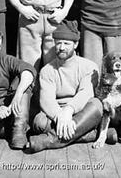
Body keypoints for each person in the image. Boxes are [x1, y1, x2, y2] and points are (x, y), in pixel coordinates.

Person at [27, 20, 104, 153]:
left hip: (81, 112)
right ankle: (88, 134)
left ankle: (47, 140)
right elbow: (47, 101)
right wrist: (60, 117)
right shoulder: (47, 70)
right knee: (39, 122)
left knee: (97, 105)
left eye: (66, 43)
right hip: (57, 115)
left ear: (76, 44)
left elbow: (86, 93)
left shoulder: (89, 66)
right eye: (58, 43)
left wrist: (69, 111)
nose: (62, 47)